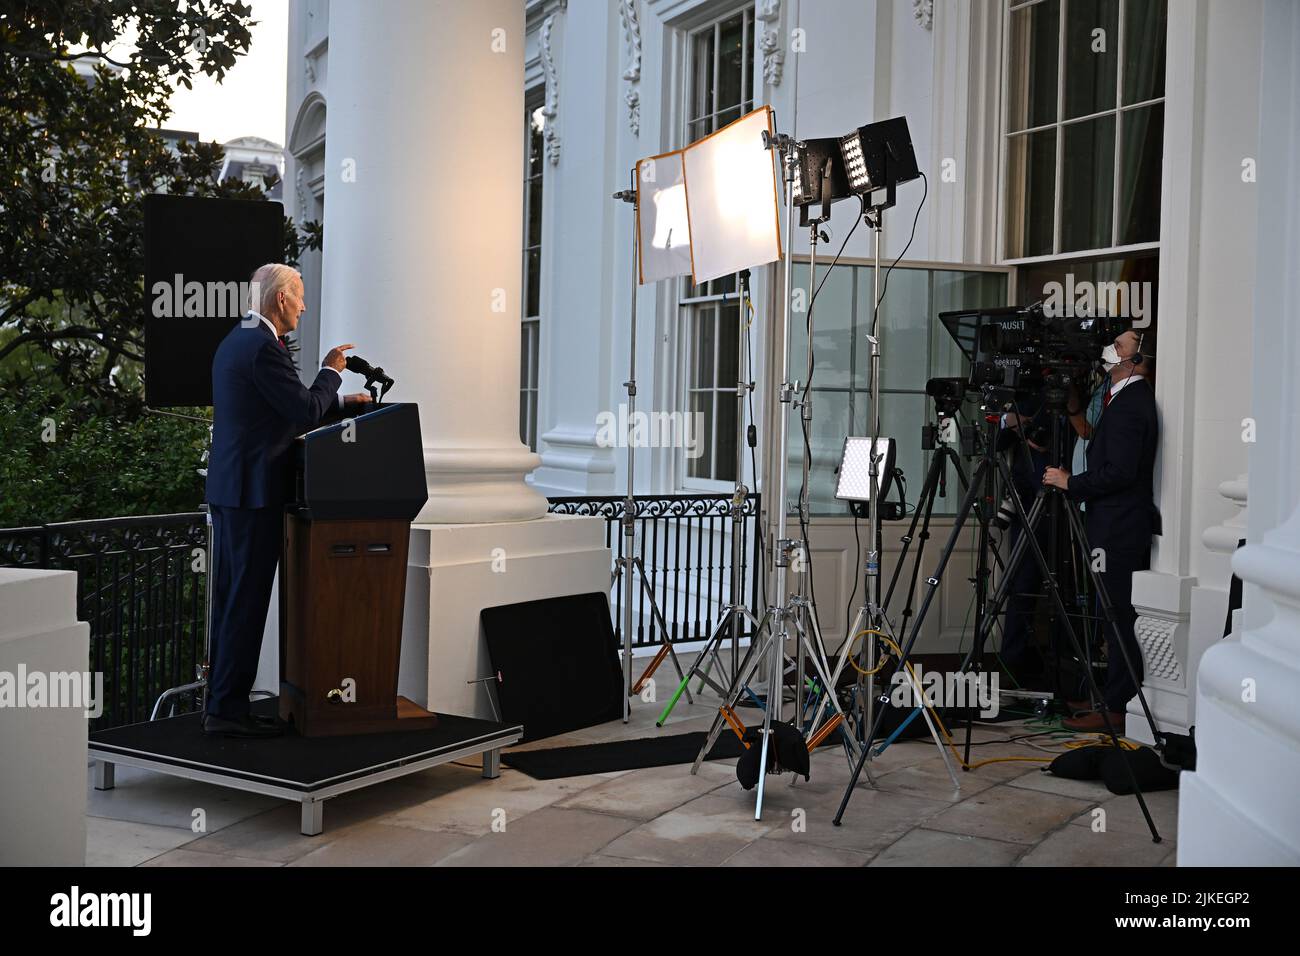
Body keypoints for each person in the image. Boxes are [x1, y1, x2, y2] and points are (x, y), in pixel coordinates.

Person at [202, 264, 371, 737]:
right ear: (280, 300)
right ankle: (227, 712)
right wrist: (330, 374)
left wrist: (340, 404)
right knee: (245, 602)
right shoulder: (263, 347)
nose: (303, 306)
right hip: (252, 492)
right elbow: (300, 411)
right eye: (299, 298)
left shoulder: (241, 338)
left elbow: (279, 407)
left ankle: (224, 703)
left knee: (234, 600)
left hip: (236, 488)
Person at [1043, 329, 1159, 732]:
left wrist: (1071, 483)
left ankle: (1117, 705)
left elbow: (1121, 472)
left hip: (1119, 525)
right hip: (1108, 521)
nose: (1111, 349)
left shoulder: (1133, 403)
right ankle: (1107, 695)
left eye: (1121, 346)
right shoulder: (1117, 398)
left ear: (1137, 359)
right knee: (1107, 612)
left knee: (1117, 614)